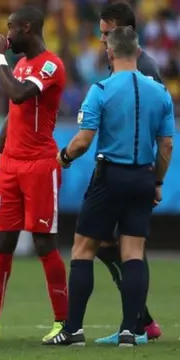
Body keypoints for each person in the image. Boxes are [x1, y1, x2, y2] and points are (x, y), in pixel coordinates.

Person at [44, 27, 174, 347]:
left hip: (110, 176)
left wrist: (63, 157)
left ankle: (73, 329)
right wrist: (156, 181)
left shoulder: (101, 88)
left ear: (110, 53)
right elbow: (167, 146)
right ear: (138, 51)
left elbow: (83, 141)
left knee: (83, 249)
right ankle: (131, 330)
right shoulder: (160, 92)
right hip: (143, 177)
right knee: (132, 253)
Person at [0, 6, 68, 342]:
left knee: (43, 243)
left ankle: (63, 324)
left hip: (40, 164)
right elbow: (13, 114)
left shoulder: (50, 64)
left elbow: (18, 93)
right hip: (11, 165)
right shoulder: (24, 65)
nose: (6, 34)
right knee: (2, 242)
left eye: (11, 28)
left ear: (27, 28)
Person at [94, 2, 162, 343]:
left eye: (106, 33)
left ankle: (138, 324)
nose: (101, 40)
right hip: (121, 170)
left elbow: (150, 124)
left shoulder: (143, 68)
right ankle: (141, 319)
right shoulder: (120, 65)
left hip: (132, 170)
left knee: (130, 246)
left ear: (122, 32)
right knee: (109, 242)